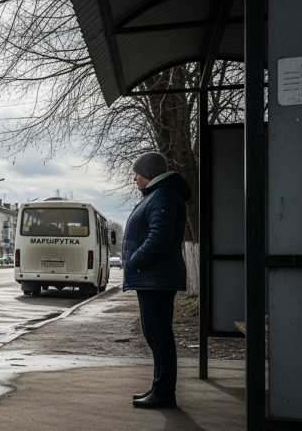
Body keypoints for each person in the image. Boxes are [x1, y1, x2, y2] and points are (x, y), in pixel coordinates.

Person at [122, 152, 192, 409]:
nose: (135, 178)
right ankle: (159, 388)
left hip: (156, 278)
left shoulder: (162, 195)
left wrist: (133, 261)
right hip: (153, 278)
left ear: (148, 172)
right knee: (157, 335)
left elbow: (159, 240)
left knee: (159, 336)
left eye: (137, 173)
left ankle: (163, 392)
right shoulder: (158, 195)